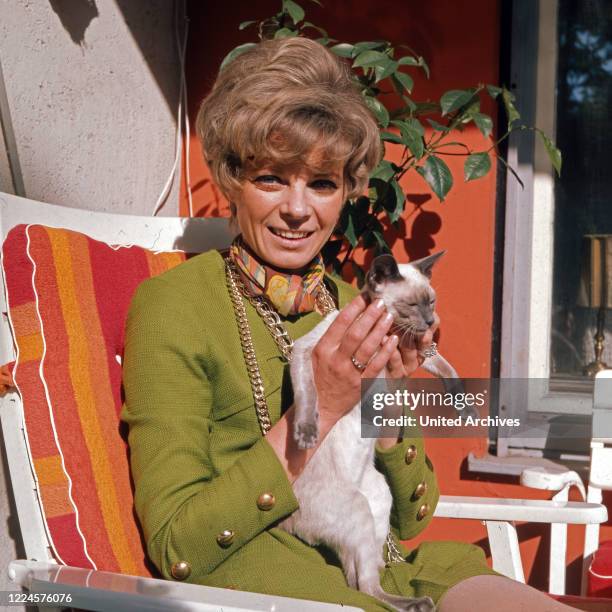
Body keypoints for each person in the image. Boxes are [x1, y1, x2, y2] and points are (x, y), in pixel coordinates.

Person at [121, 36, 579, 612]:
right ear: (232, 180)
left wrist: (384, 400)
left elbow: (414, 517)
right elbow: (176, 543)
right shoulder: (175, 306)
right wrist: (326, 404)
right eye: (270, 179)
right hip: (276, 579)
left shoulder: (353, 302)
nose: (297, 209)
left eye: (321, 183)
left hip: (394, 566)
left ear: (346, 194)